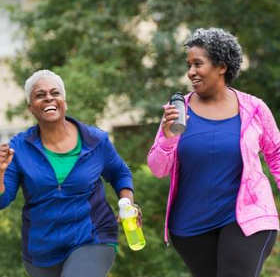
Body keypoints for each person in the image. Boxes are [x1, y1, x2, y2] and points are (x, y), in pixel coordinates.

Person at [147, 27, 279, 277]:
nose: (191, 72)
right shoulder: (177, 111)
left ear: (222, 66)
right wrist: (167, 137)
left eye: (198, 64)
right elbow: (157, 168)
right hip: (190, 228)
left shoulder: (254, 109)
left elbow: (277, 154)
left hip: (246, 219)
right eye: (189, 65)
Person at [0, 69, 140, 277]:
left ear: (64, 101)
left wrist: (127, 202)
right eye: (40, 95)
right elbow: (3, 200)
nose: (49, 97)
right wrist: (1, 171)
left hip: (92, 237)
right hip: (41, 249)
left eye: (55, 93)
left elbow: (120, 173)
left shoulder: (95, 140)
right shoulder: (18, 148)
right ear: (30, 108)